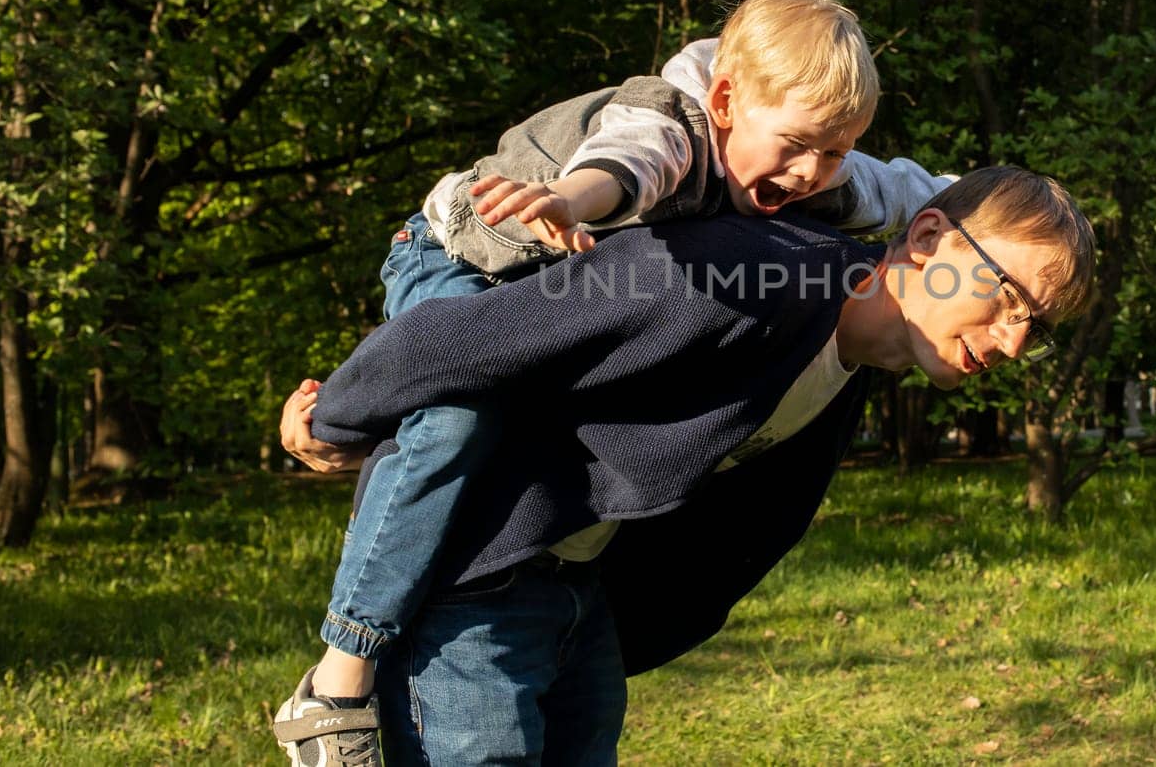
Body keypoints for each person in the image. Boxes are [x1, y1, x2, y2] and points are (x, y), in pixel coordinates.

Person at [272, 0, 955, 765]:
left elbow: (900, 187)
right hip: (456, 248)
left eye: (833, 151)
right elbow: (630, 163)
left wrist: (989, 209)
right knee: (456, 417)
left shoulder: (812, 161)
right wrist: (567, 197)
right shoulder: (670, 123)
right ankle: (340, 672)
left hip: (540, 355)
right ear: (726, 99)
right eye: (798, 145)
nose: (810, 173)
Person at [275, 167, 1095, 765]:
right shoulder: (739, 276)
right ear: (927, 239)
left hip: (575, 602)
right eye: (1007, 297)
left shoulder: (847, 368)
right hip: (476, 584)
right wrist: (332, 423)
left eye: (1039, 325)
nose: (1016, 341)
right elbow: (472, 336)